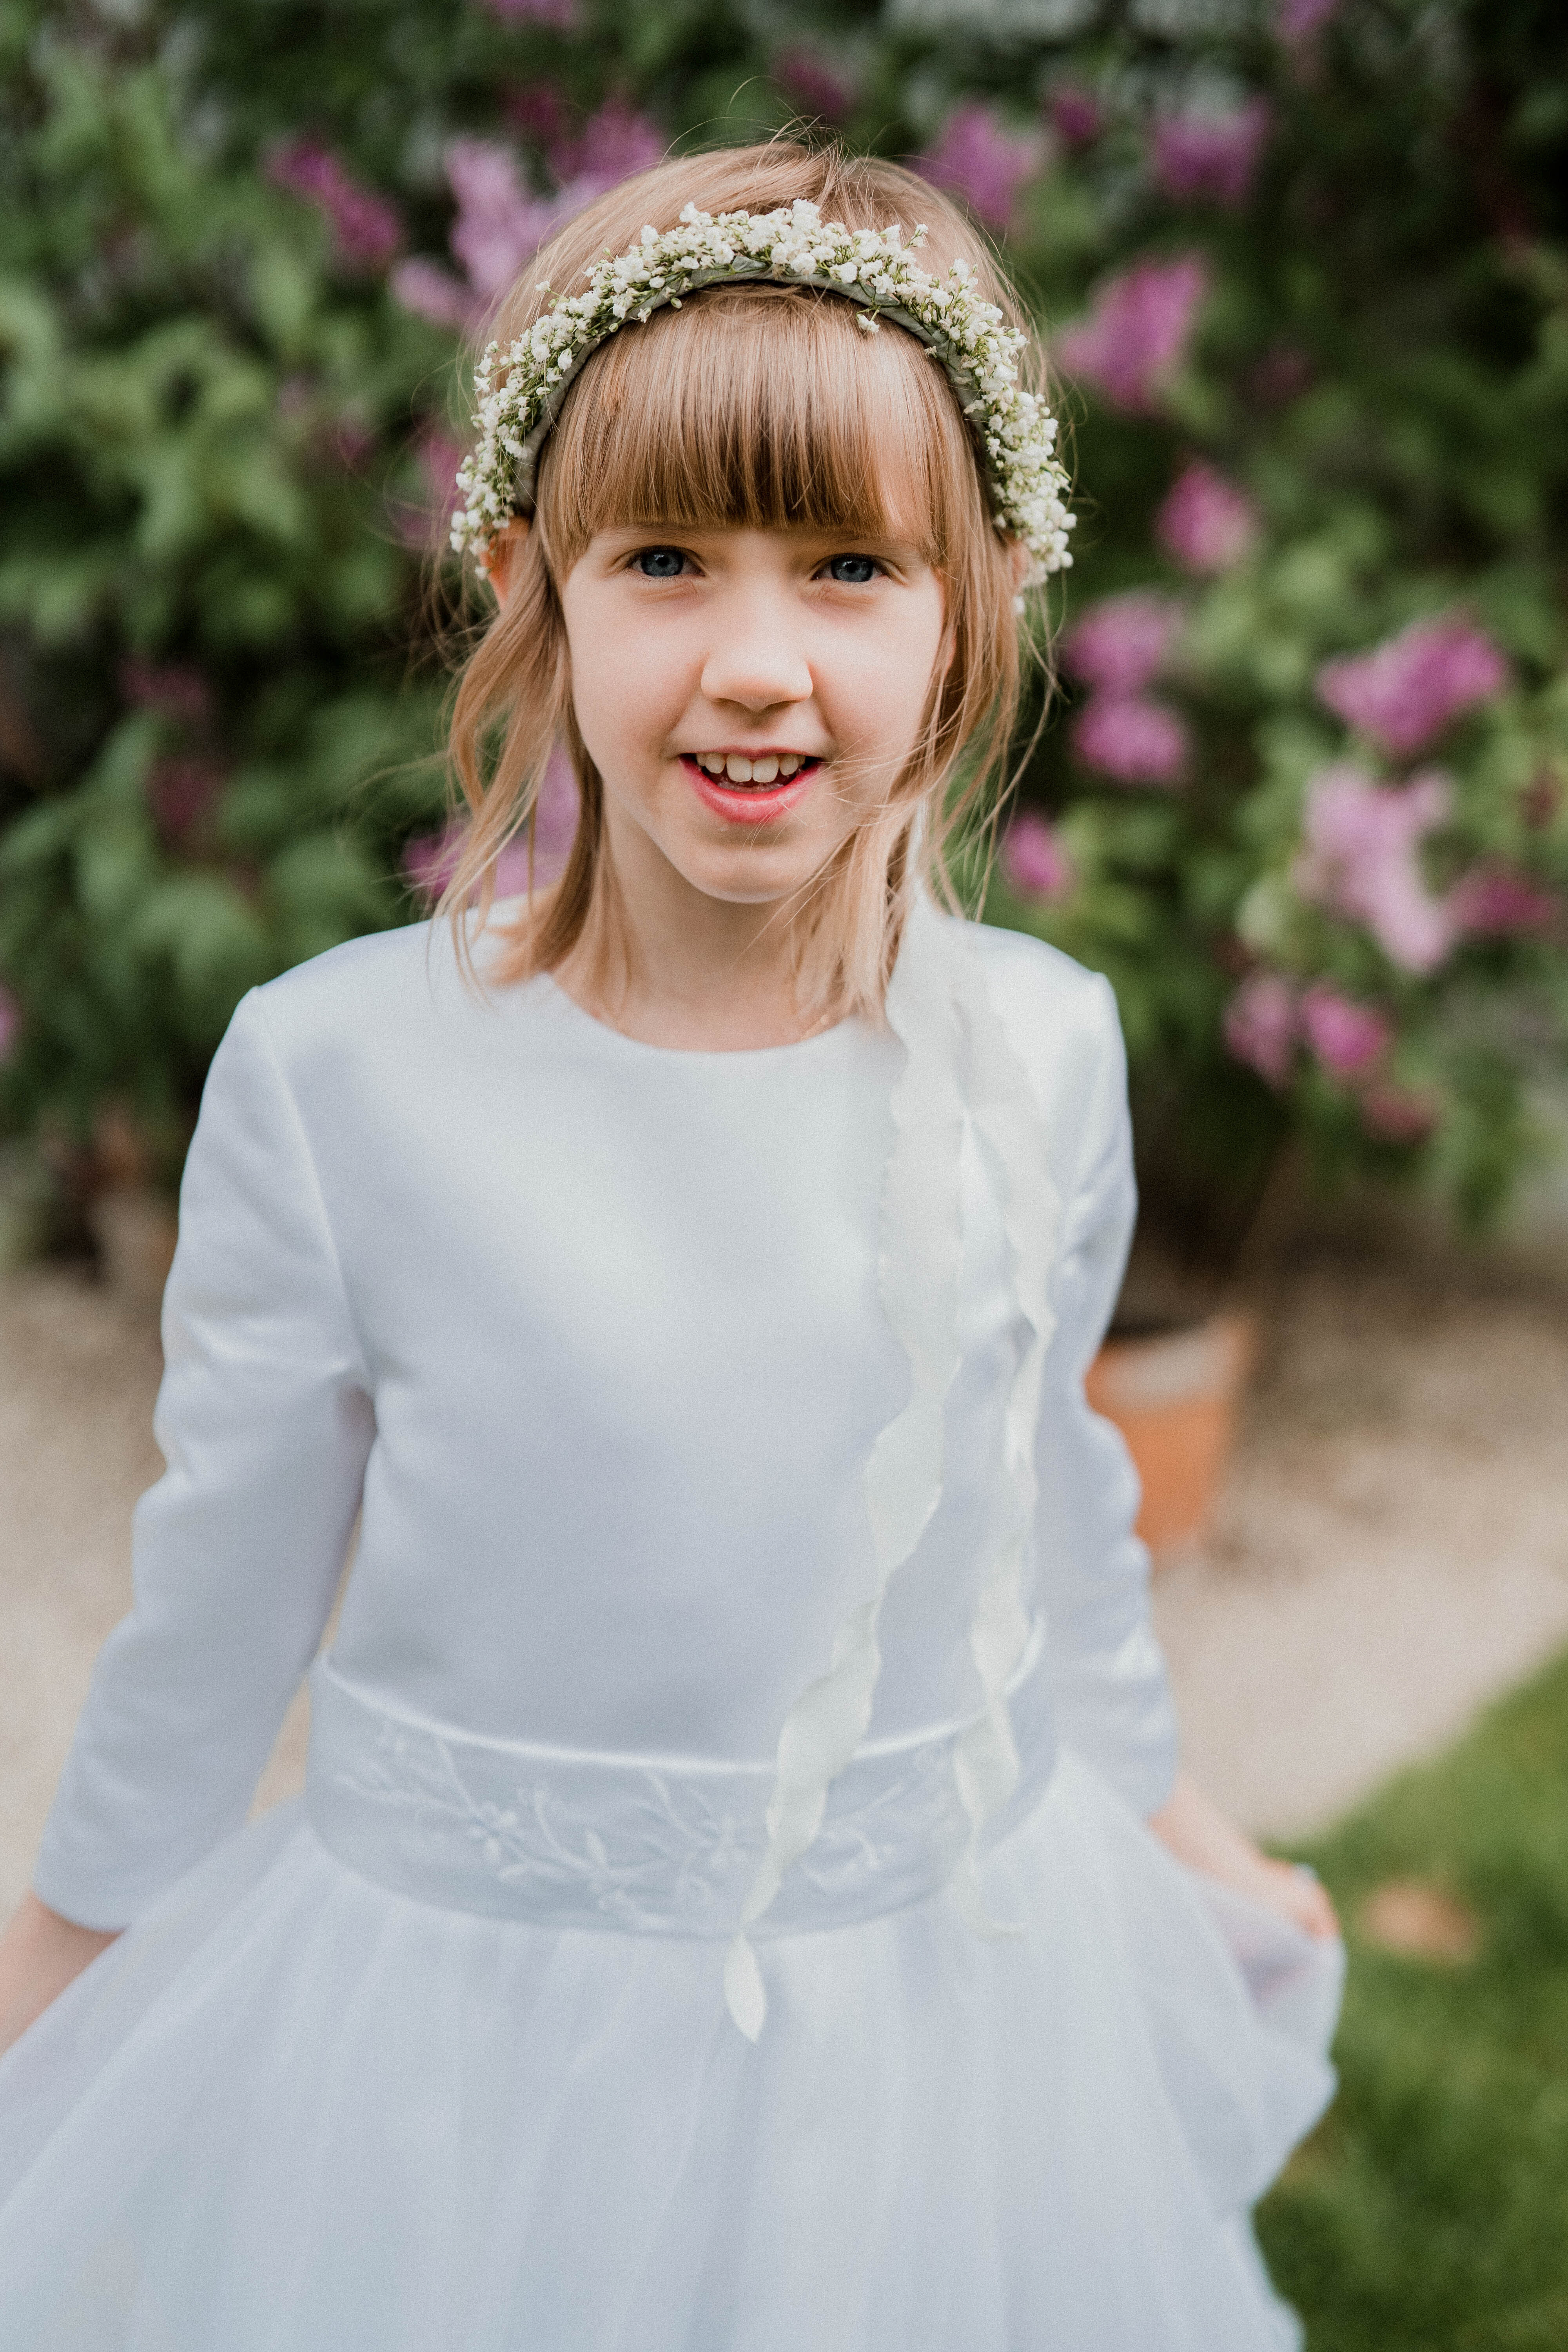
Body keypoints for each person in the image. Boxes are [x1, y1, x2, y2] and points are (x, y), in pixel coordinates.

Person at [0, 140, 1341, 2349]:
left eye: (849, 569)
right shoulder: (342, 1082)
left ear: (976, 603)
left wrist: (1184, 1837)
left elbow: (1047, 1529)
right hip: (466, 2059)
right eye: (665, 562)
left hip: (933, 2041)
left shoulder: (1043, 1051)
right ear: (530, 585)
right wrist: (58, 1970)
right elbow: (213, 1618)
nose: (756, 665)